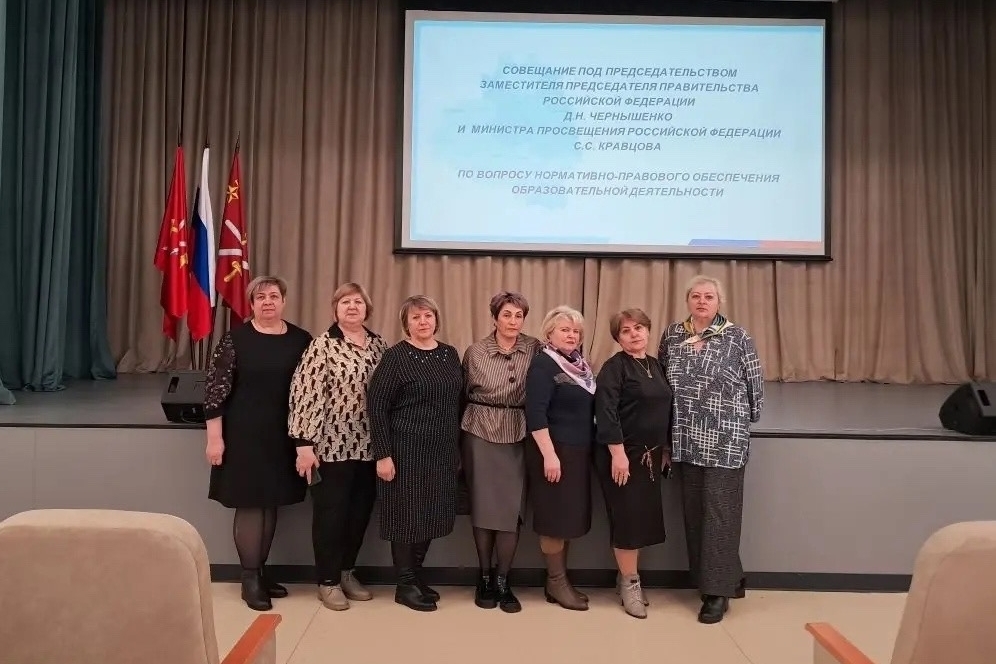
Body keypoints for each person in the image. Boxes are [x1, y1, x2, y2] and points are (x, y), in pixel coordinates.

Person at [658, 275, 764, 625]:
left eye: (709, 296)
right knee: (695, 514)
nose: (702, 301)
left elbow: (755, 388)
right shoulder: (673, 335)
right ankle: (726, 577)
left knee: (721, 515)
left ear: (720, 302)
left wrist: (740, 421)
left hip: (726, 440)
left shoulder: (737, 336)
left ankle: (717, 593)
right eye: (696, 295)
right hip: (686, 438)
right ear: (687, 300)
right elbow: (662, 382)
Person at [203, 275, 313, 612]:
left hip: (283, 436)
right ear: (251, 304)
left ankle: (261, 572)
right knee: (251, 504)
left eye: (274, 296)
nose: (268, 302)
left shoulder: (301, 339)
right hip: (243, 436)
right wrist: (214, 439)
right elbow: (215, 393)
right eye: (260, 297)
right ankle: (249, 578)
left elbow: (309, 390)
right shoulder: (235, 339)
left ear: (284, 301)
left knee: (270, 502)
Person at [287, 282, 387, 611]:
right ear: (335, 310)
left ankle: (346, 572)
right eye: (345, 302)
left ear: (367, 309)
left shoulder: (379, 345)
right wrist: (304, 444)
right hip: (330, 447)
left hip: (370, 446)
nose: (352, 307)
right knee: (331, 516)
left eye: (358, 302)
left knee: (359, 514)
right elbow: (305, 394)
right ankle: (327, 581)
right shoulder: (322, 345)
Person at [367, 295, 464, 612]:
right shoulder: (395, 357)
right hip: (404, 450)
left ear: (436, 319)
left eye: (428, 316)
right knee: (406, 517)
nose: (423, 322)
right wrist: (383, 454)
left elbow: (457, 402)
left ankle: (416, 576)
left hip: (441, 450)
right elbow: (377, 406)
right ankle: (404, 584)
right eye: (415, 317)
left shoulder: (449, 354)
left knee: (432, 514)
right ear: (406, 324)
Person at [460, 291, 540, 613]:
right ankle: (484, 577)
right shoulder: (475, 352)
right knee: (483, 508)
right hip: (479, 430)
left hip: (518, 431)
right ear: (494, 318)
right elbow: (461, 393)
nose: (513, 321)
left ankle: (504, 580)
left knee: (510, 512)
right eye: (506, 314)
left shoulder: (535, 348)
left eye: (519, 316)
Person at [594, 308, 673, 619]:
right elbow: (606, 413)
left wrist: (664, 448)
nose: (634, 334)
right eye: (625, 331)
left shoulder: (655, 365)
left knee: (641, 522)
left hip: (650, 457)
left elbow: (664, 410)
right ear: (618, 338)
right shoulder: (614, 369)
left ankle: (625, 578)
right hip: (622, 457)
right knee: (628, 522)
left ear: (648, 330)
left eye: (638, 328)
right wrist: (618, 454)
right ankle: (630, 583)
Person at [524, 305, 595, 611]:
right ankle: (556, 581)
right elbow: (535, 413)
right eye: (565, 329)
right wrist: (549, 455)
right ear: (549, 333)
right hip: (553, 453)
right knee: (554, 520)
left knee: (567, 518)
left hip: (576, 452)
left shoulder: (580, 366)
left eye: (576, 331)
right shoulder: (543, 364)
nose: (571, 335)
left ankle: (559, 582)